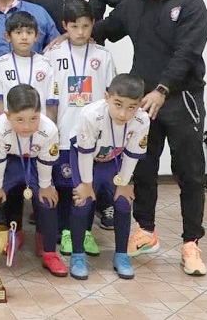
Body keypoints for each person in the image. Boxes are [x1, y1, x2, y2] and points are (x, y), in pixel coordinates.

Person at [91, 0, 207, 276]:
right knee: (143, 168)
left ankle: (191, 243)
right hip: (142, 103)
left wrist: (162, 89)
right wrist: (72, 38)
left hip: (180, 99)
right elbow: (103, 31)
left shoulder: (191, 4)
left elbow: (186, 53)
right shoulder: (132, 5)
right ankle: (145, 231)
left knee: (189, 172)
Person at [46, 0, 116, 257]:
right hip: (64, 133)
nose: (80, 32)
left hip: (93, 136)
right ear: (65, 26)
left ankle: (85, 233)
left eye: (85, 26)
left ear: (93, 25)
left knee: (88, 186)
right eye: (74, 26)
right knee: (65, 186)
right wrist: (51, 131)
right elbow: (49, 99)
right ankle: (66, 231)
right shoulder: (52, 55)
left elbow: (111, 98)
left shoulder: (103, 56)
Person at [68, 74, 149, 280]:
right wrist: (86, 184)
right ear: (107, 97)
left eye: (132, 107)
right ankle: (77, 255)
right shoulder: (91, 115)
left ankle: (121, 255)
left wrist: (123, 183)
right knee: (83, 201)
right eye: (118, 104)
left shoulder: (142, 120)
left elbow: (131, 155)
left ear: (140, 104)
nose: (123, 113)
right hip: (84, 158)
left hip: (113, 160)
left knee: (122, 203)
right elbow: (85, 153)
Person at [0, 84, 68, 277]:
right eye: (19, 120)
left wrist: (46, 187)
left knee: (48, 200)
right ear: (7, 115)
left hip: (37, 163)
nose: (27, 126)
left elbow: (46, 163)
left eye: (33, 119)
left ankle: (49, 252)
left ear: (41, 113)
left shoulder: (49, 129)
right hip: (7, 162)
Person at [0, 11, 58, 121]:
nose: (24, 37)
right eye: (18, 32)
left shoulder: (46, 64)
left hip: (39, 127)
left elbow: (51, 102)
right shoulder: (1, 64)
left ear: (36, 36)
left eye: (29, 32)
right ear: (7, 36)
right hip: (10, 126)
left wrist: (50, 129)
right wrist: (2, 128)